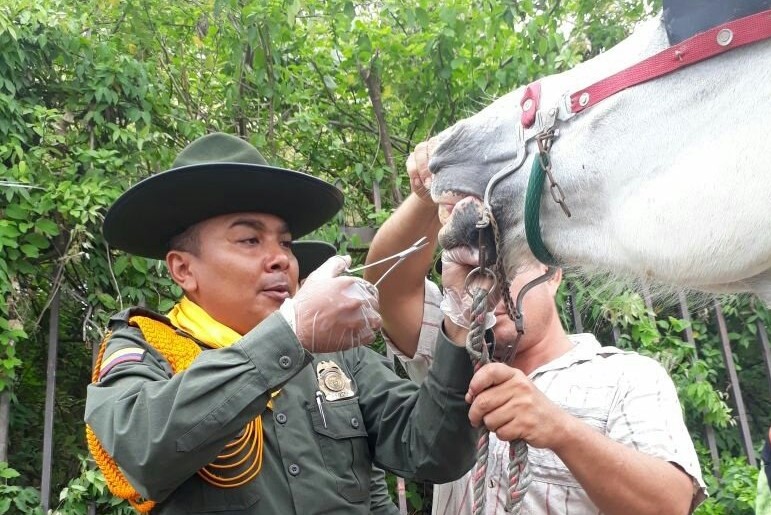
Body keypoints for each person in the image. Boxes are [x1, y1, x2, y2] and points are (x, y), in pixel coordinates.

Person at [84, 132, 477, 514]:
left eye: (285, 243)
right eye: (249, 241)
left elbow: (433, 451)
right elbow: (140, 453)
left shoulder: (335, 354)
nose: (281, 260)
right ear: (184, 270)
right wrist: (289, 333)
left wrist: (458, 318)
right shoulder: (144, 347)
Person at [364, 139, 707, 514]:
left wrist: (560, 429)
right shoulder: (452, 357)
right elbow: (386, 285)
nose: (493, 283)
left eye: (511, 266)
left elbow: (670, 504)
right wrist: (432, 189)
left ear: (553, 273)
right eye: (478, 269)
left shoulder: (626, 376)